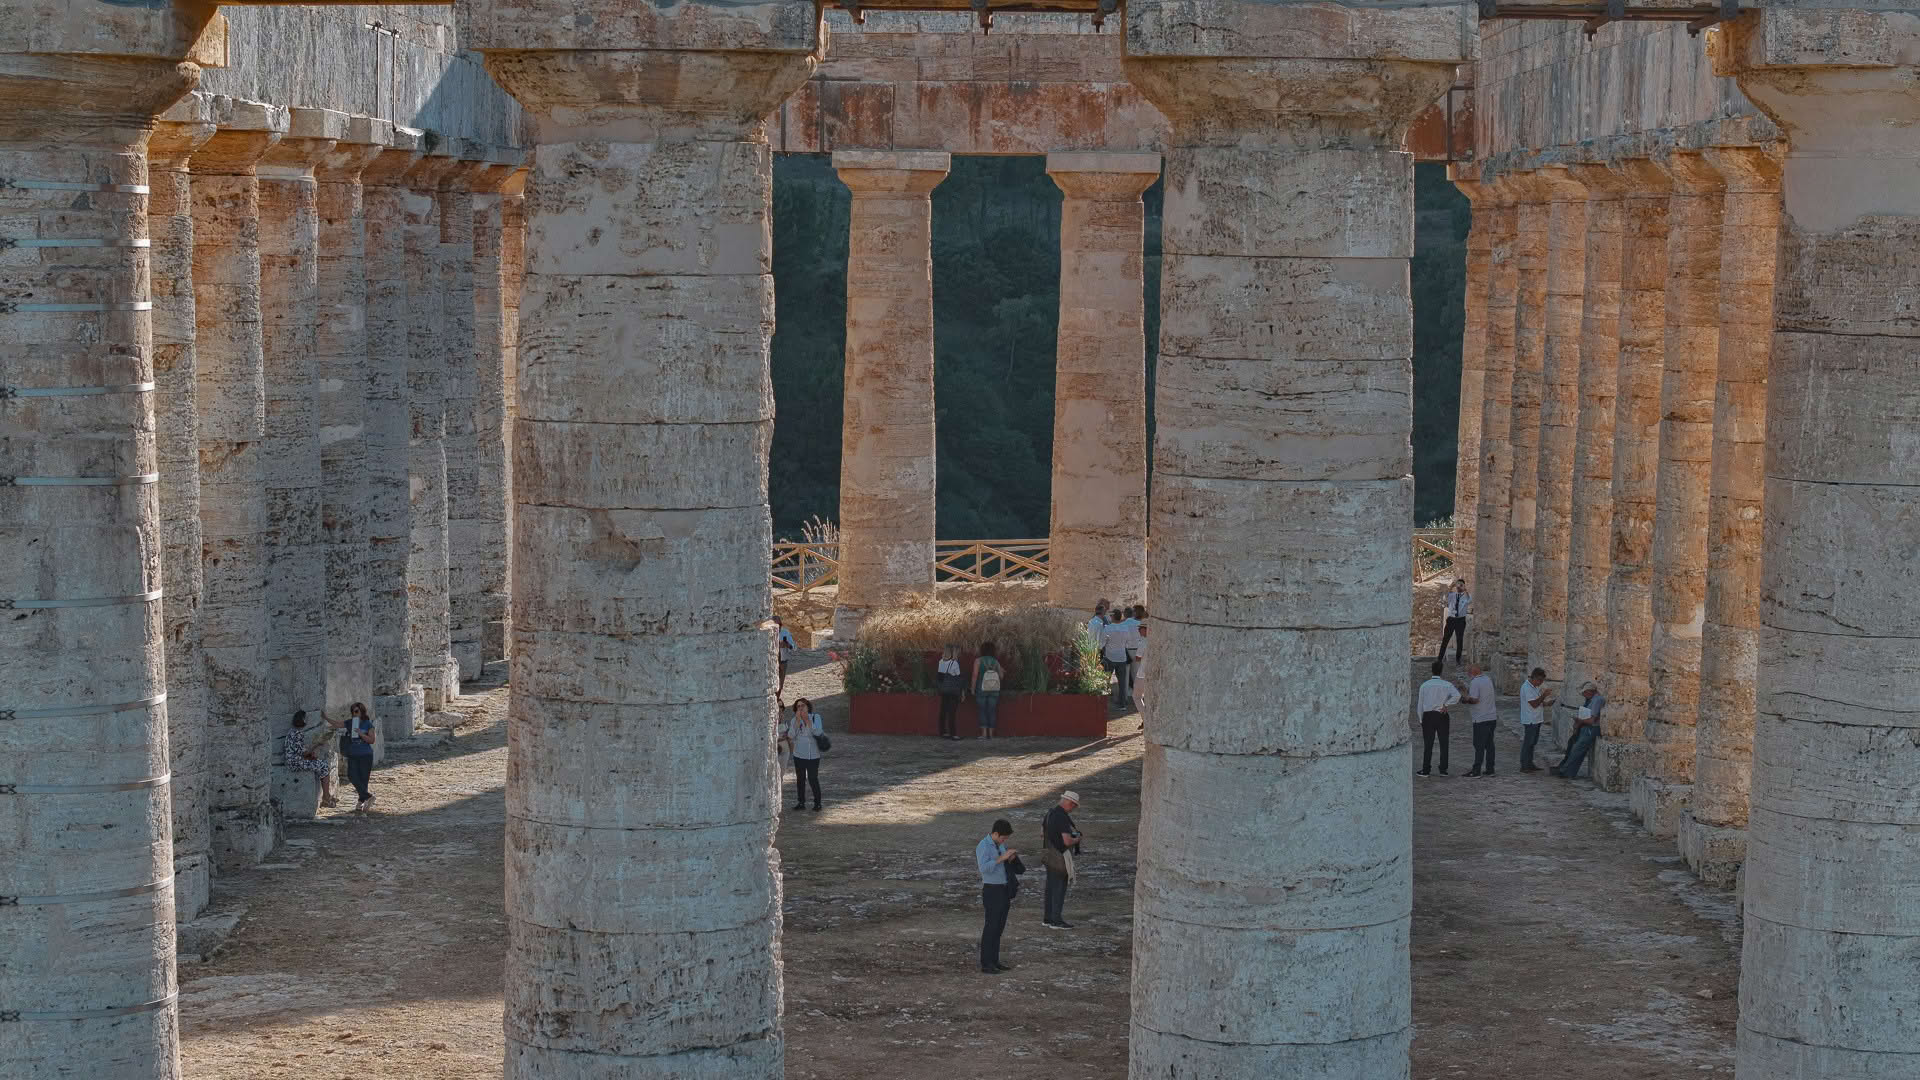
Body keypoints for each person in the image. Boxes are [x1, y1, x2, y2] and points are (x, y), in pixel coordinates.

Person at [976, 818, 1018, 974]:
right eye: (1003, 838)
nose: (1004, 841)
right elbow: (984, 868)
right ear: (995, 833)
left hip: (1003, 889)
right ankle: (986, 963)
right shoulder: (983, 846)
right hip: (992, 890)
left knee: (999, 927)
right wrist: (1002, 858)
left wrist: (1011, 858)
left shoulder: (999, 844)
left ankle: (994, 960)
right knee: (991, 927)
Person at [1040, 790, 1082, 929]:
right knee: (1059, 888)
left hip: (1048, 854)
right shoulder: (1062, 817)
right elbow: (1066, 841)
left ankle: (1048, 919)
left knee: (1050, 887)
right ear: (1070, 803)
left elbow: (1042, 833)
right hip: (1059, 856)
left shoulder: (1050, 813)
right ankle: (1056, 921)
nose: (1073, 809)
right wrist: (1077, 839)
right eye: (1074, 806)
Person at [283, 709, 339, 808]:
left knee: (320, 763)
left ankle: (328, 796)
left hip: (295, 761)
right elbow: (304, 753)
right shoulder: (297, 734)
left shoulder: (292, 732)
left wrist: (310, 755)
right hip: (296, 763)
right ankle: (326, 797)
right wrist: (317, 744)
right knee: (324, 766)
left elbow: (300, 751)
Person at [1416, 659, 1462, 777]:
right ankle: (1443, 769)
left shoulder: (1424, 685)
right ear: (1441, 671)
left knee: (1428, 744)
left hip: (1428, 716)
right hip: (1442, 715)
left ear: (1432, 670)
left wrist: (1421, 719)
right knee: (1444, 742)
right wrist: (1446, 704)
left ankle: (1426, 769)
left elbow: (1420, 704)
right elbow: (1457, 696)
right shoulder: (1447, 685)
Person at [1553, 681, 1606, 779]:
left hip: (1591, 728)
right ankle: (1568, 771)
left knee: (1577, 749)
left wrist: (1580, 720)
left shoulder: (1597, 700)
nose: (1583, 695)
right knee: (1575, 748)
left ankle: (1565, 771)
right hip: (1586, 727)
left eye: (1584, 693)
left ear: (1590, 692)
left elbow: (1592, 720)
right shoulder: (1591, 699)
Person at [779, 698, 824, 811]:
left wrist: (808, 721)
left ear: (808, 706)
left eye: (802, 705)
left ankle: (817, 803)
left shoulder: (815, 717)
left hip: (813, 755)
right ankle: (801, 802)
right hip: (799, 754)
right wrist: (798, 722)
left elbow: (818, 732)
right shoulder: (794, 720)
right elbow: (791, 736)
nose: (800, 708)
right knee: (800, 779)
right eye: (798, 706)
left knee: (813, 779)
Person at [1462, 660, 1499, 777]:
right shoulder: (1487, 679)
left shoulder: (1475, 682)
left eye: (1468, 671)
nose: (1468, 674)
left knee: (1478, 745)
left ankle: (1476, 770)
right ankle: (1490, 769)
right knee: (1489, 745)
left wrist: (1464, 698)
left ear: (1473, 671)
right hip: (1491, 717)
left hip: (1480, 718)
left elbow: (1475, 699)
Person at [339, 701, 377, 811]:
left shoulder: (368, 724)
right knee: (352, 775)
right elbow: (337, 724)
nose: (354, 713)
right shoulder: (351, 722)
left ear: (362, 712)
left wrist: (361, 734)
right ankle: (369, 797)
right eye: (353, 711)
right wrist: (325, 717)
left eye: (356, 711)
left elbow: (372, 740)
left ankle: (361, 801)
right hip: (352, 754)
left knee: (363, 779)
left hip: (365, 755)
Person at [1519, 667, 1554, 772]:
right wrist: (1544, 695)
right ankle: (1524, 765)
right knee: (1528, 743)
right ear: (1534, 677)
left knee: (1532, 743)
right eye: (1539, 680)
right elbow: (1534, 704)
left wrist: (1546, 703)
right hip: (1530, 720)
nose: (1540, 683)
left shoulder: (1534, 687)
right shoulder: (1527, 688)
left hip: (1536, 719)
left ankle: (1529, 763)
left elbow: (1536, 701)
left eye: (1542, 681)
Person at [1101, 612, 1135, 709]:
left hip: (1110, 656)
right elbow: (1128, 641)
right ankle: (1122, 704)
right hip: (1121, 657)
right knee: (1122, 682)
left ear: (1112, 617)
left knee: (1105, 681)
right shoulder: (1125, 628)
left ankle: (1103, 703)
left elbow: (1102, 642)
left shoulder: (1107, 628)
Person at [971, 641, 1003, 739]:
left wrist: (972, 688)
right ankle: (991, 734)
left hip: (981, 690)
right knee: (992, 711)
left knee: (982, 711)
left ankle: (984, 734)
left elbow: (975, 675)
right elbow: (1001, 677)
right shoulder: (996, 662)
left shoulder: (978, 661)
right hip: (994, 690)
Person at [936, 644, 965, 740]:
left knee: (943, 711)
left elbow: (940, 677)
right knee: (952, 712)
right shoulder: (954, 663)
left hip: (944, 690)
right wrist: (962, 692)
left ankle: (943, 732)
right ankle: (953, 734)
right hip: (953, 691)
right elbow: (958, 678)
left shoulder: (940, 661)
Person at [1440, 579, 1471, 665]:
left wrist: (1465, 590)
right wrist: (1451, 586)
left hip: (1460, 620)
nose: (1459, 587)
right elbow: (1445, 597)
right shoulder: (1452, 595)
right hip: (1451, 619)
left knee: (1459, 640)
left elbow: (1469, 600)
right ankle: (1439, 658)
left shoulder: (1466, 596)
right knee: (1445, 639)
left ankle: (1458, 659)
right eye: (1458, 585)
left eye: (1461, 585)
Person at [774, 616, 797, 698]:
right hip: (772, 663)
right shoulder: (767, 634)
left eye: (779, 625)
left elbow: (794, 647)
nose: (778, 628)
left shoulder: (785, 633)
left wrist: (787, 645)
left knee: (780, 684)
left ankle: (777, 701)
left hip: (783, 662)